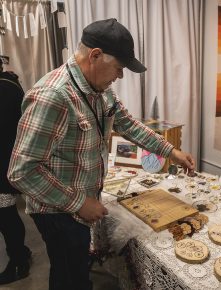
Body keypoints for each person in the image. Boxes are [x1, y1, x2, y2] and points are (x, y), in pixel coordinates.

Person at [8, 18, 195, 290]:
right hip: (57, 212)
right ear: (95, 56)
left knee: (77, 270)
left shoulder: (99, 90)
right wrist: (79, 203)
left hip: (79, 203)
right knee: (68, 277)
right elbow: (21, 171)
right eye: (119, 68)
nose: (119, 76)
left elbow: (128, 124)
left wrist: (170, 151)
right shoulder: (53, 96)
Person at [0, 57, 32, 284]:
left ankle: (19, 260)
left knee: (6, 216)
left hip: (5, 164)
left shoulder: (5, 88)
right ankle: (20, 253)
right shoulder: (9, 83)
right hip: (9, 162)